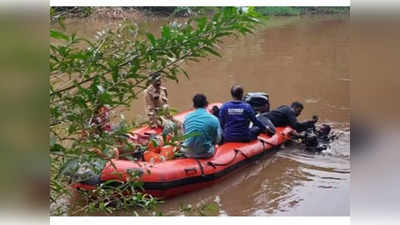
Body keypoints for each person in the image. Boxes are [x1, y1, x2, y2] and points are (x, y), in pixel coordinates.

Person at [182, 94, 222, 158]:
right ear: (206, 104)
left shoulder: (187, 117)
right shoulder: (214, 119)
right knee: (215, 145)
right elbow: (217, 140)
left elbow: (185, 135)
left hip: (187, 152)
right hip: (205, 153)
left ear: (193, 105)